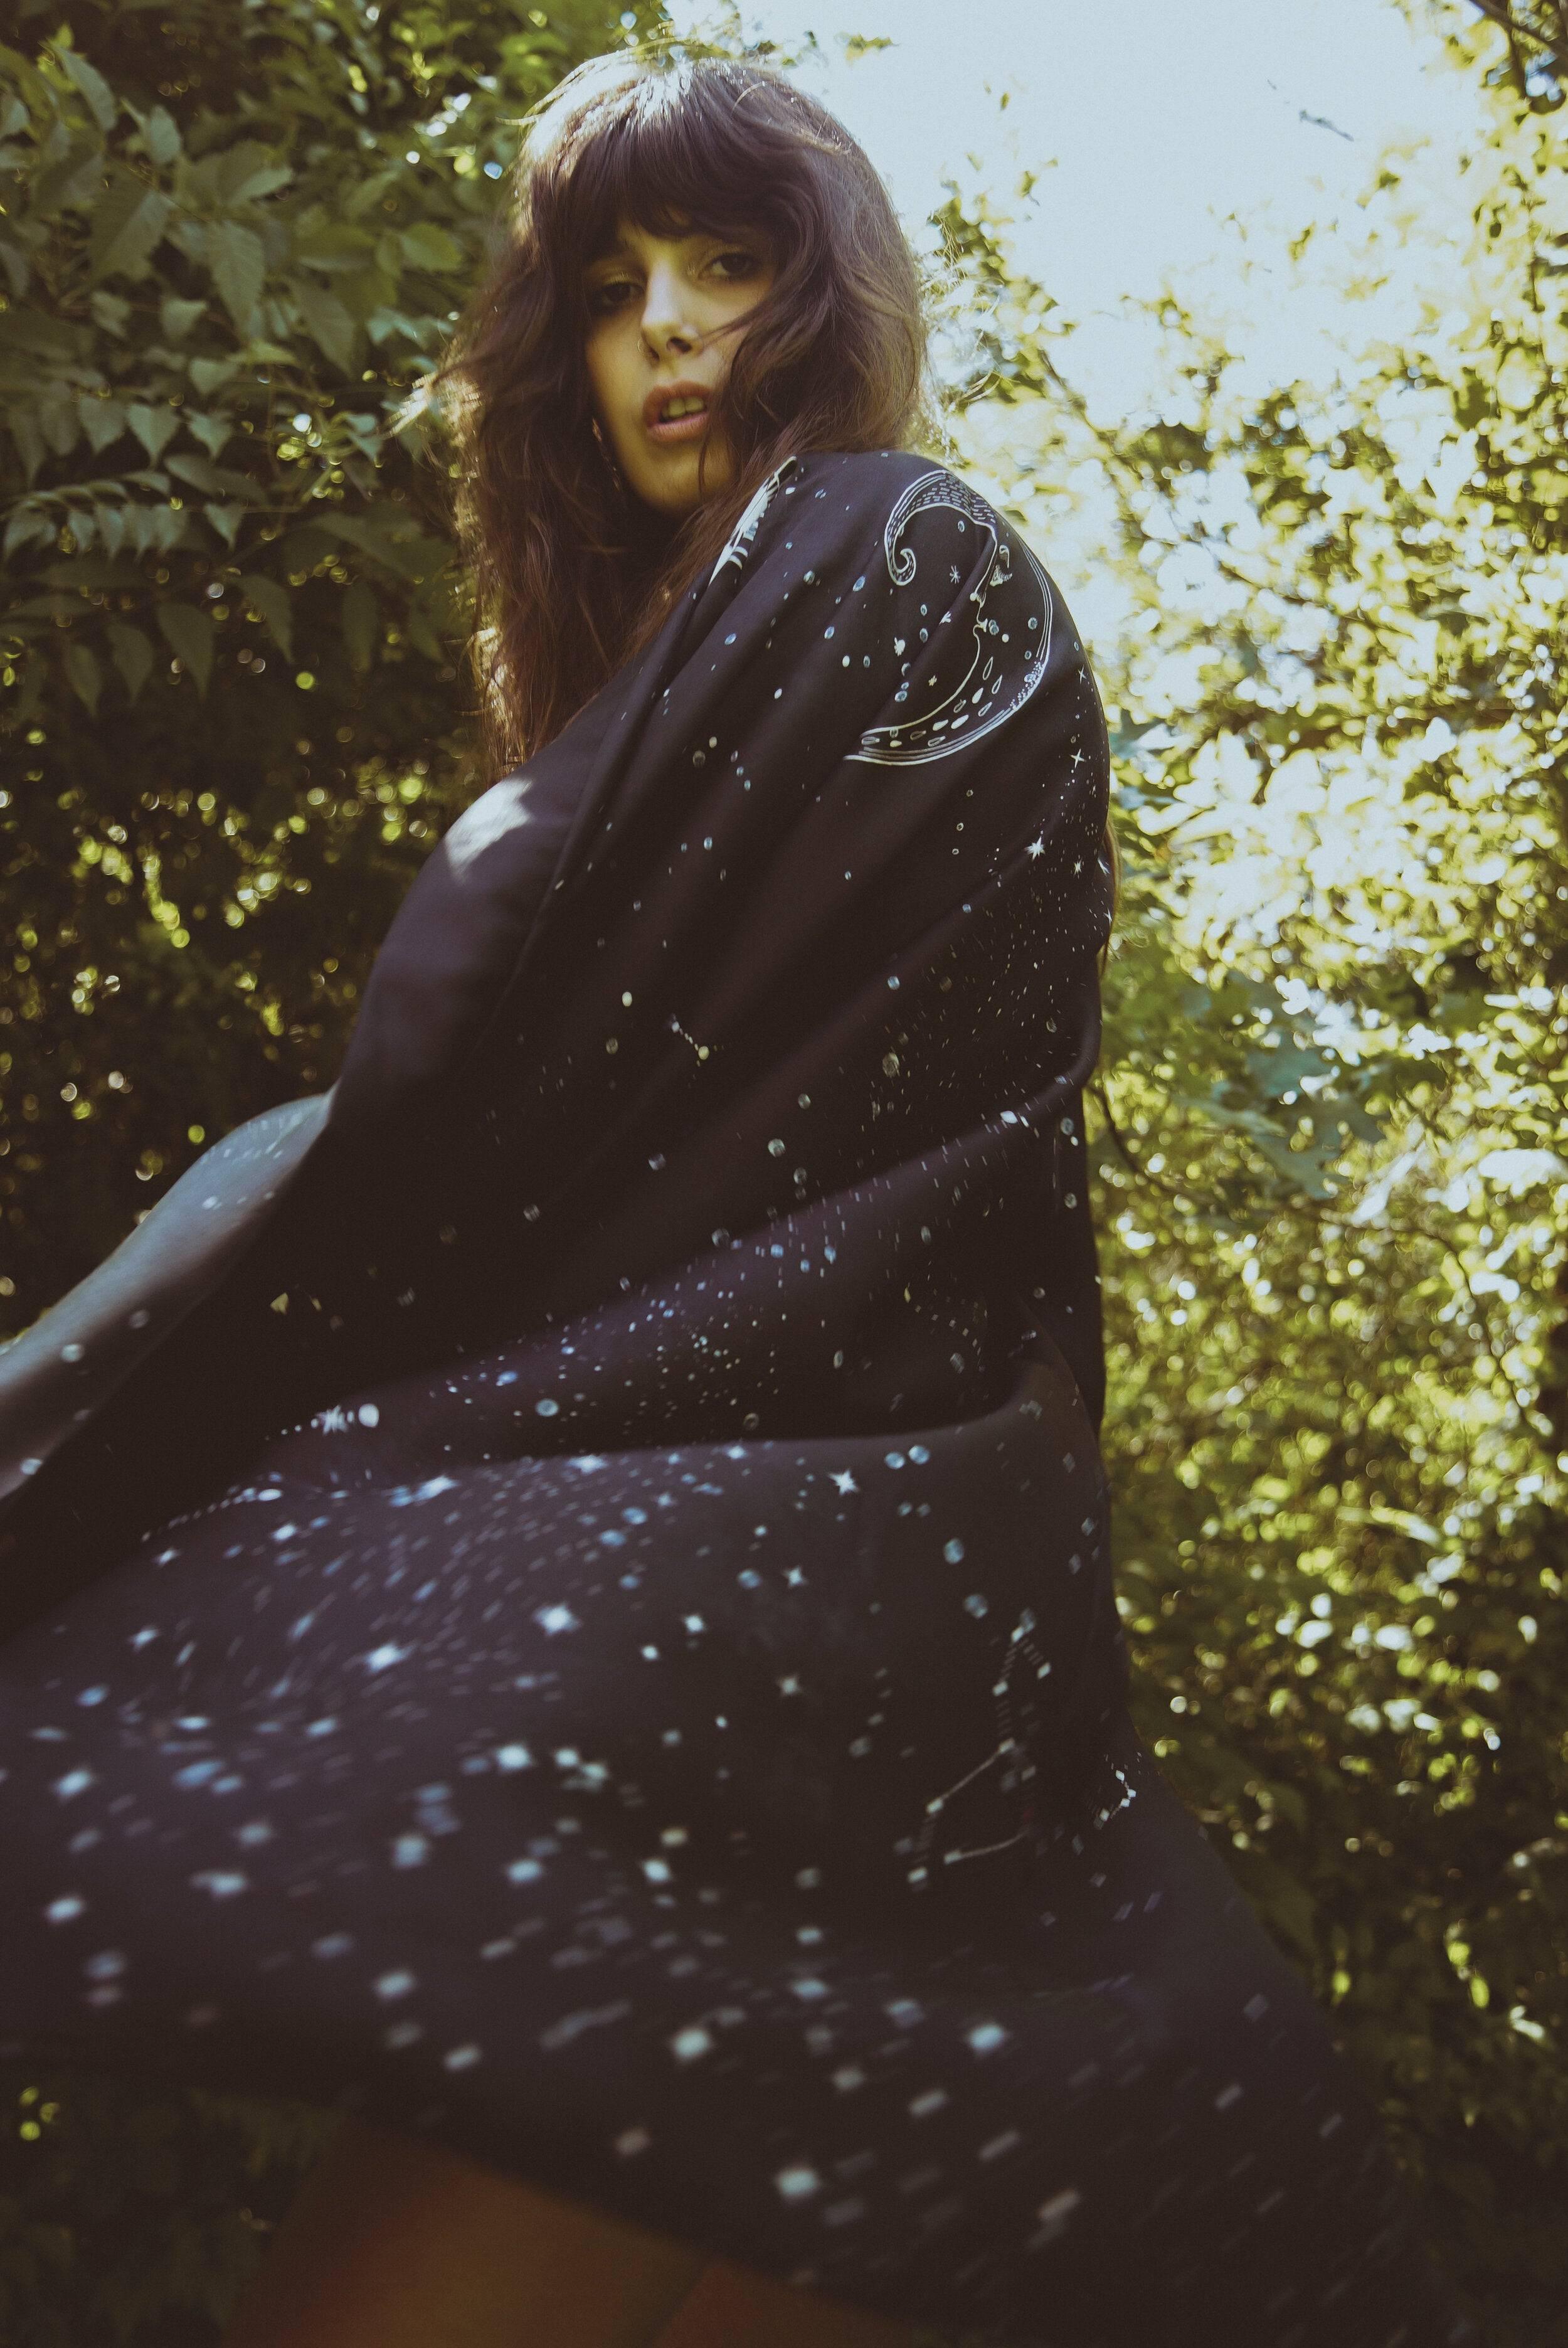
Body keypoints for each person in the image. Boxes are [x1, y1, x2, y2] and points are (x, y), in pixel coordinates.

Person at [0, 50, 1474, 2348]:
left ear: (827, 292)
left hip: (788, 1560)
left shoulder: (893, 544)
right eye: (611, 290)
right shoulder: (777, 625)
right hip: (837, 1589)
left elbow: (516, 1020)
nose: (670, 326)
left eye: (726, 261)